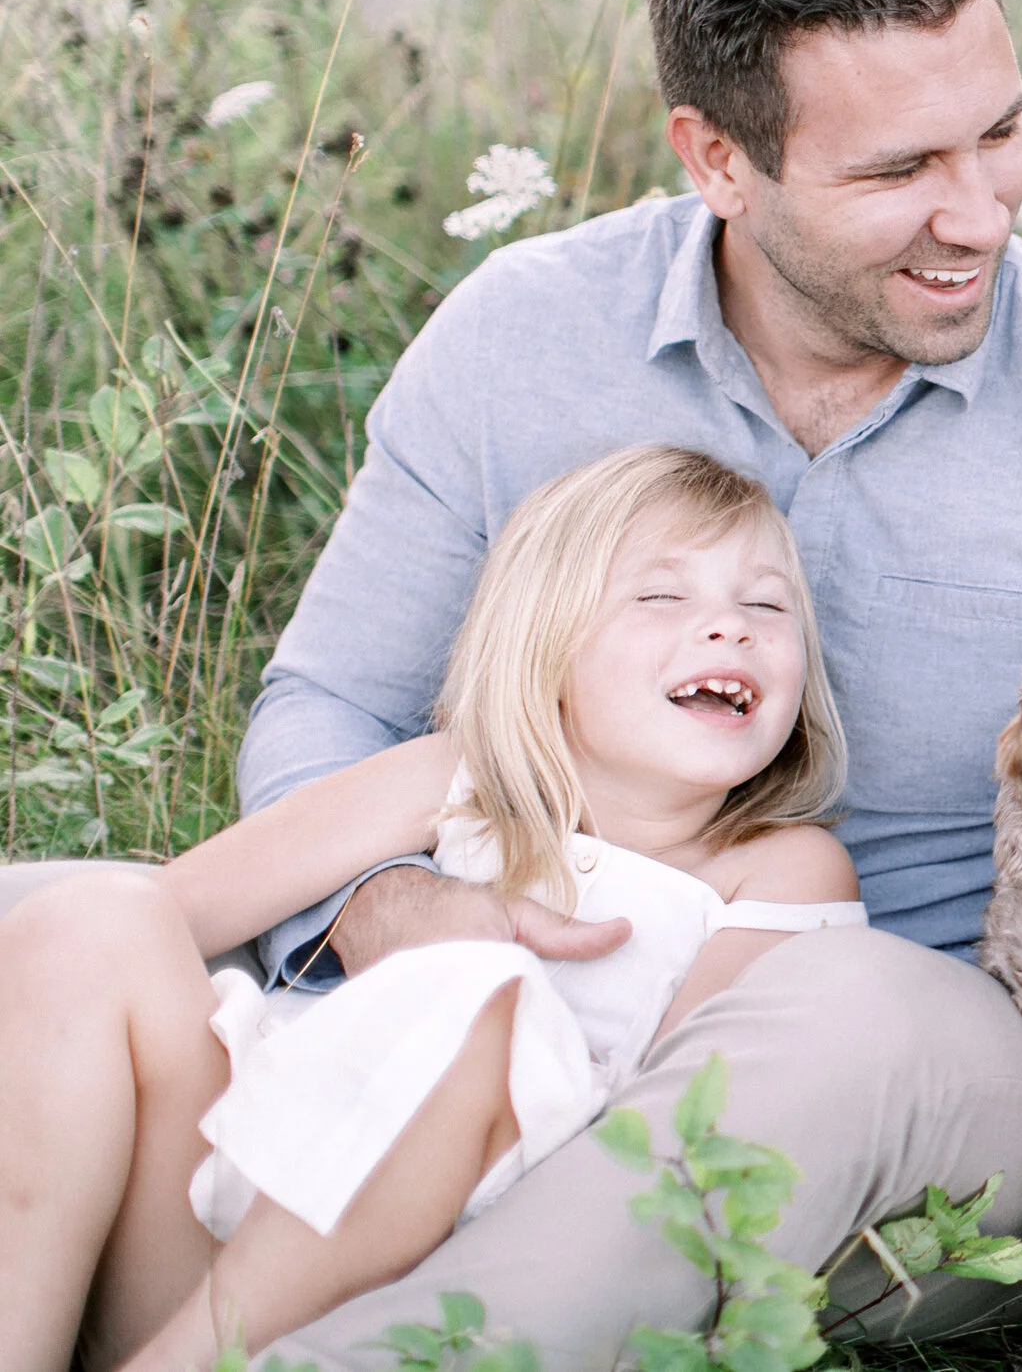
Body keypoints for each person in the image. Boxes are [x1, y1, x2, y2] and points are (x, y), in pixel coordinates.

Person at [0, 0, 1022, 1369]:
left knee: (843, 1009)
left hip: (921, 1068)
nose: (978, 213)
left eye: (1000, 133)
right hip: (488, 1011)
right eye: (896, 172)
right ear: (718, 159)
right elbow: (330, 704)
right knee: (55, 917)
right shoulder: (522, 339)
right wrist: (390, 910)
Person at [0, 446, 861, 1371]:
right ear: (544, 644)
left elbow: (677, 1143)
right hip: (208, 1217)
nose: (731, 628)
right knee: (95, 919)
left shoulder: (781, 869)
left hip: (430, 1297)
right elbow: (176, 911)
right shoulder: (450, 781)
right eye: (661, 595)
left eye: (767, 606)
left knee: (482, 1003)